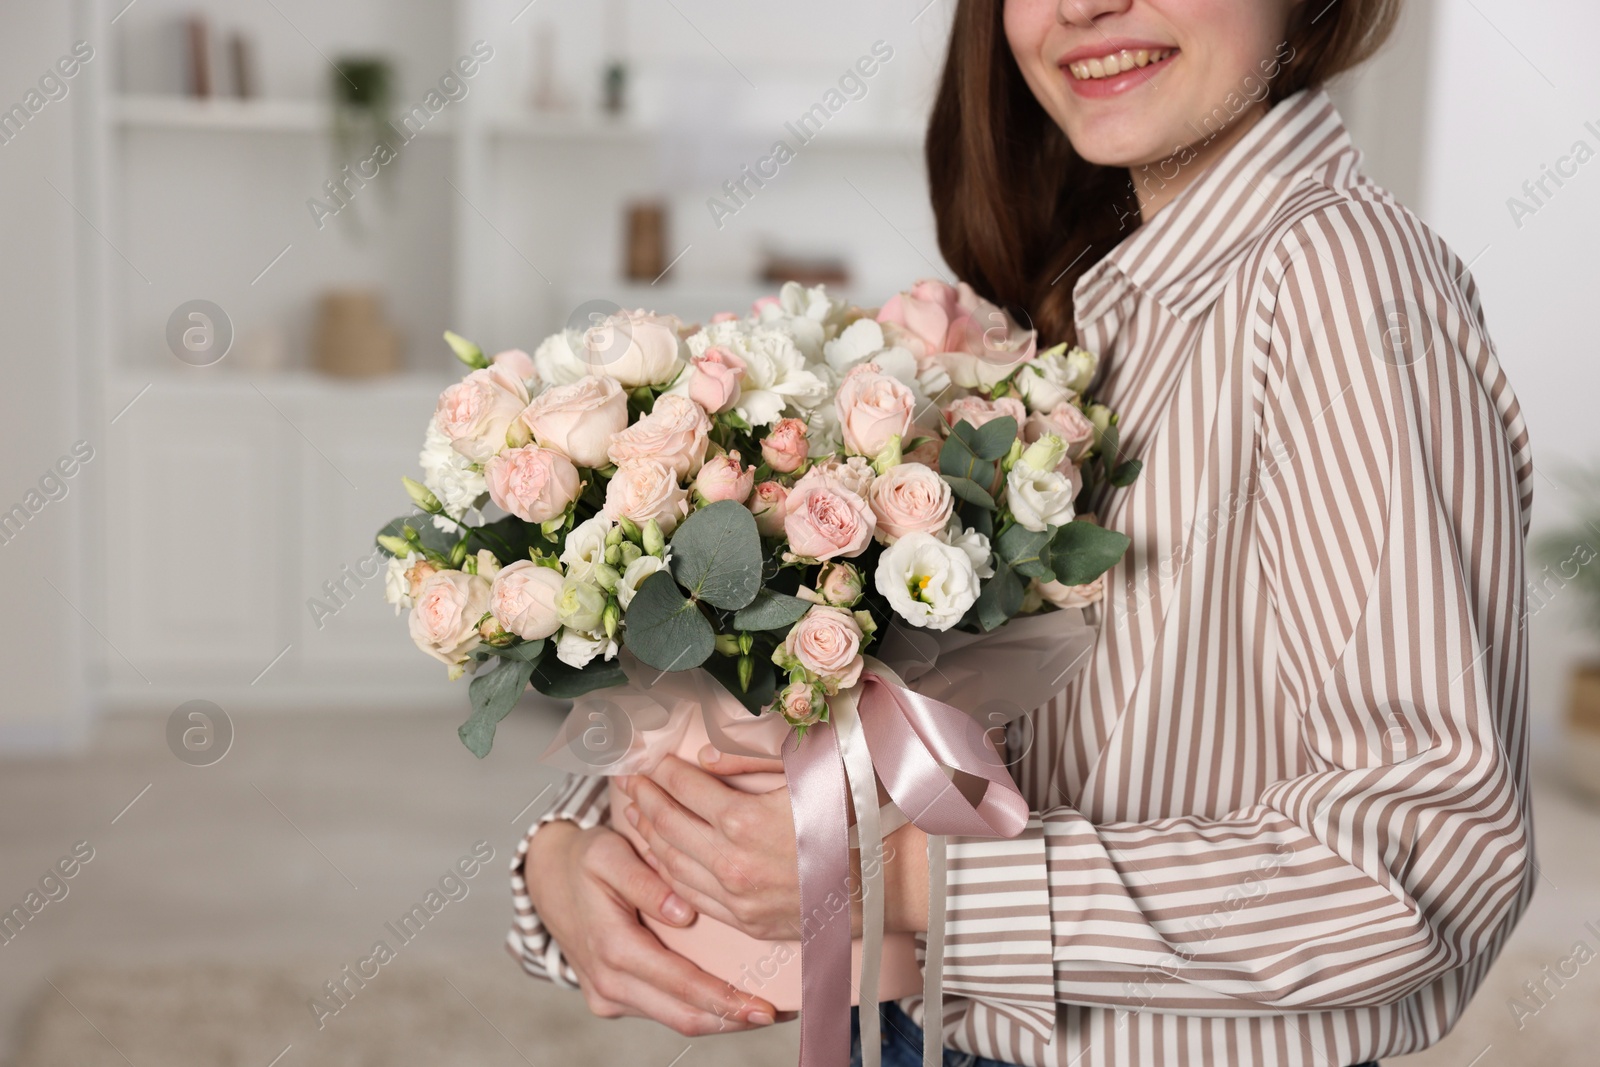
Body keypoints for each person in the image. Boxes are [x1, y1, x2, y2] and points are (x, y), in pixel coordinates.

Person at [510, 2, 1537, 1065]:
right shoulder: (1093, 293)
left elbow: (1420, 858)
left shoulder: (1337, 281)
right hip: (928, 1022)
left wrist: (910, 877)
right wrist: (573, 856)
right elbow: (909, 690)